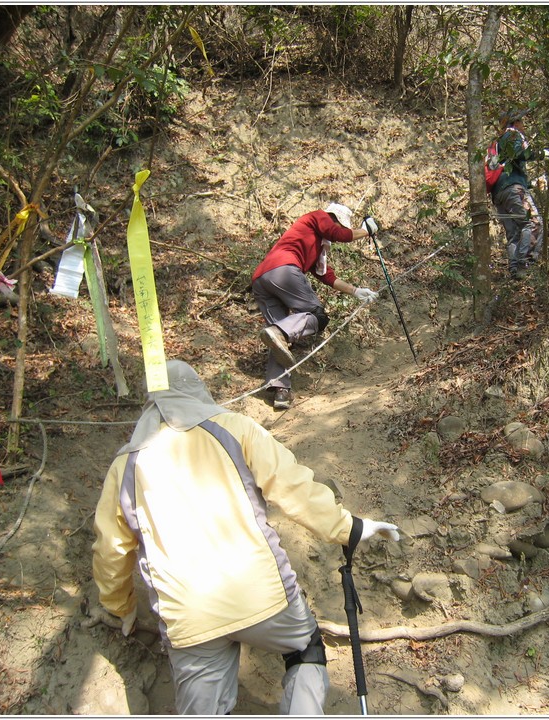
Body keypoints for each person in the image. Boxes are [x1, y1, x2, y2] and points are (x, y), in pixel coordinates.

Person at [92, 360, 400, 715]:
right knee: (306, 649)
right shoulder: (235, 428)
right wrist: (350, 528)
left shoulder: (125, 466)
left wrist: (122, 607)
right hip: (263, 596)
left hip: (188, 618)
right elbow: (293, 488)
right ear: (196, 388)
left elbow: (111, 549)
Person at [252, 203, 380, 410]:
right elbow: (338, 233)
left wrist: (355, 291)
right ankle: (279, 332)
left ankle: (280, 391)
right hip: (283, 270)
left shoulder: (315, 244)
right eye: (340, 224)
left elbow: (325, 275)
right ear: (334, 218)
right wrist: (366, 231)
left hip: (262, 279)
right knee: (316, 316)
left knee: (280, 340)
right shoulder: (319, 217)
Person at [490, 108, 545, 280]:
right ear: (514, 123)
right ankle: (523, 263)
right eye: (521, 121)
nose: (524, 125)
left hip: (500, 193)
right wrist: (540, 154)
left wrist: (531, 184)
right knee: (533, 223)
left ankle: (515, 271)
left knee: (514, 233)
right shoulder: (512, 135)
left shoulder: (499, 142)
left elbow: (509, 169)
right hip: (513, 189)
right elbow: (517, 154)